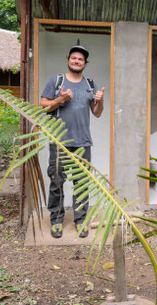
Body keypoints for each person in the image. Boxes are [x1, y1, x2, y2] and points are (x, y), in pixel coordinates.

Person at [40, 45, 104, 239]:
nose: (77, 61)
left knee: (82, 183)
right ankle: (57, 220)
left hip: (83, 142)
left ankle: (81, 220)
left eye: (81, 59)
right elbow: (43, 106)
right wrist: (61, 98)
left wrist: (100, 100)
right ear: (68, 59)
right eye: (74, 58)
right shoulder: (57, 81)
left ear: (85, 63)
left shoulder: (90, 84)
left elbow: (97, 113)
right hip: (59, 142)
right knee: (56, 182)